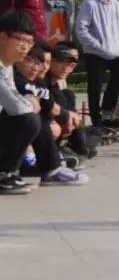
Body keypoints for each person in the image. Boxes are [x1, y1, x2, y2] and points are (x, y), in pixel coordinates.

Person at [13, 41, 89, 185]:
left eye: (43, 63)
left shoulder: (38, 81)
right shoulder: (11, 73)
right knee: (33, 118)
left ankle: (49, 164)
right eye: (31, 61)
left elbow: (49, 105)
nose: (40, 67)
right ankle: (46, 166)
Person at [0, 11, 42, 194]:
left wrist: (28, 100)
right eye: (21, 40)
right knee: (28, 120)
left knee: (33, 117)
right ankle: (4, 175)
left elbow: (13, 97)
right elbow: (16, 107)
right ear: (3, 37)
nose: (26, 47)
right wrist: (28, 101)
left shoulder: (7, 65)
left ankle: (51, 165)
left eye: (29, 42)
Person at [43, 43, 98, 159]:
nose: (66, 67)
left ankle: (77, 148)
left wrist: (70, 119)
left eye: (70, 64)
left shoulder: (56, 86)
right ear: (50, 61)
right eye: (61, 61)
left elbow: (72, 117)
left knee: (94, 131)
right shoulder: (40, 81)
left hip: (61, 130)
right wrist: (66, 117)